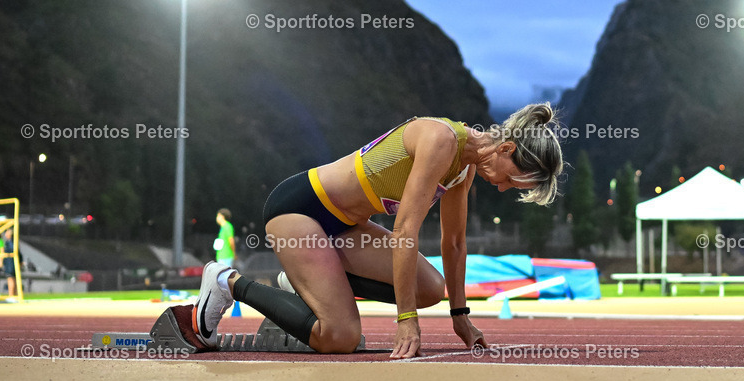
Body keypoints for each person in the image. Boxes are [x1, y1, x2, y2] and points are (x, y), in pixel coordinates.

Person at [192, 103, 563, 359]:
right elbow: (405, 230)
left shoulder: (464, 169)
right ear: (506, 148)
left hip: (346, 227)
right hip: (301, 210)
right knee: (339, 337)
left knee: (430, 289)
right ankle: (226, 282)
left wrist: (460, 315)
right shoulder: (441, 140)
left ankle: (303, 284)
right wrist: (406, 321)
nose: (503, 188)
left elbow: (453, 242)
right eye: (511, 180)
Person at [0, 228, 17, 298]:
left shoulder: (9, 243)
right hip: (12, 263)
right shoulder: (14, 242)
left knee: (10, 279)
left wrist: (1, 261)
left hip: (10, 263)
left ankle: (11, 295)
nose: (6, 234)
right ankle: (15, 295)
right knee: (13, 279)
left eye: (7, 233)